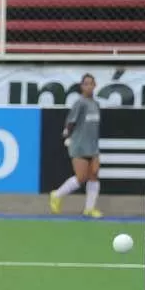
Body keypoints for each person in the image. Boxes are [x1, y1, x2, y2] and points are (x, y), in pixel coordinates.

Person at [49, 73, 102, 218]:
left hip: (93, 146)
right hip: (79, 145)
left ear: (95, 85)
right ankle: (57, 195)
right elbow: (70, 122)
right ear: (81, 86)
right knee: (81, 177)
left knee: (94, 176)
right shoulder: (80, 103)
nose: (89, 86)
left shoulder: (96, 104)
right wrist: (67, 135)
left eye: (91, 83)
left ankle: (89, 209)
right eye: (86, 83)